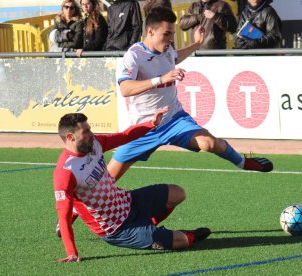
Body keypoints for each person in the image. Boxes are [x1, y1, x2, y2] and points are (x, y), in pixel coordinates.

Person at [106, 6, 273, 182]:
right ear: (150, 31)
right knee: (109, 179)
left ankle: (243, 163)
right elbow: (125, 88)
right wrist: (161, 79)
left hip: (174, 119)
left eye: (172, 33)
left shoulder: (166, 48)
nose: (171, 39)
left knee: (209, 143)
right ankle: (82, 207)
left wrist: (197, 44)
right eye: (167, 34)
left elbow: (175, 57)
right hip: (144, 127)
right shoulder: (134, 55)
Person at [54, 110, 211, 262]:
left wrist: (151, 124)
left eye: (90, 129)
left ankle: (147, 225)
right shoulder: (65, 172)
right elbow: (63, 217)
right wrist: (72, 252)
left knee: (178, 193)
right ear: (70, 137)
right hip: (116, 228)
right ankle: (185, 234)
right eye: (86, 131)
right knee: (182, 241)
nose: (91, 134)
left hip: (127, 202)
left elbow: (124, 136)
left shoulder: (95, 144)